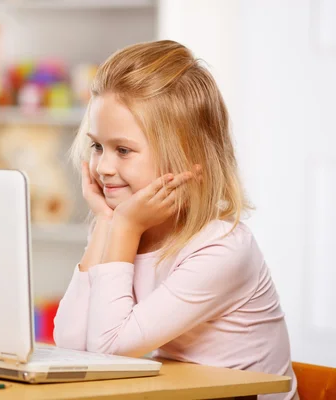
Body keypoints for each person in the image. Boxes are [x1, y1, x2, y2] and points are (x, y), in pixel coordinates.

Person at [53, 40, 298, 400]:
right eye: (97, 147)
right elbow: (72, 345)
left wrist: (121, 228)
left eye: (123, 150)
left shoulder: (222, 247)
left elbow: (110, 350)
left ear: (186, 155)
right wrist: (106, 222)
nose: (103, 167)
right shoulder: (122, 224)